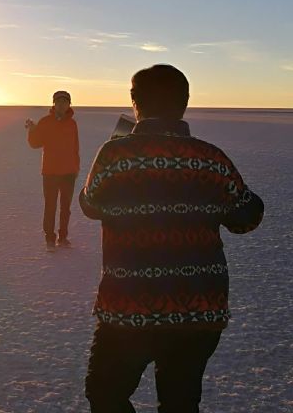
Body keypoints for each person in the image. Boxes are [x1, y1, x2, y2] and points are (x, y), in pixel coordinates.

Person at [79, 64, 264, 412]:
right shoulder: (210, 158)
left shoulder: (116, 154)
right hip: (199, 310)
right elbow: (246, 218)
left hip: (129, 307)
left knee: (106, 394)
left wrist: (117, 149)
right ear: (185, 102)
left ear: (135, 103)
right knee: (180, 401)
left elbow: (90, 204)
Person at [26, 90, 80, 250]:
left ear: (69, 104)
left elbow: (75, 147)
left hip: (69, 172)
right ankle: (50, 239)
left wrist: (76, 167)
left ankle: (63, 237)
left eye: (65, 102)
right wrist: (32, 130)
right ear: (54, 104)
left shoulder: (72, 124)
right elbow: (35, 144)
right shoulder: (45, 122)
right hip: (50, 172)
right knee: (50, 206)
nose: (62, 104)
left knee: (66, 207)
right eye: (59, 101)